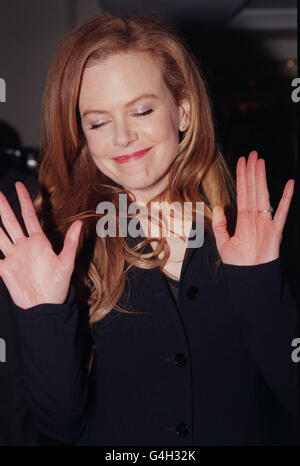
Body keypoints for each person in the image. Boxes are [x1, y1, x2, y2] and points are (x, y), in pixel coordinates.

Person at [0, 14, 298, 445]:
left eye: (141, 110)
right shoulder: (63, 248)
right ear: (81, 135)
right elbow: (61, 426)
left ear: (183, 111)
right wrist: (46, 312)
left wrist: (259, 283)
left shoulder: (254, 230)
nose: (122, 136)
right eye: (98, 121)